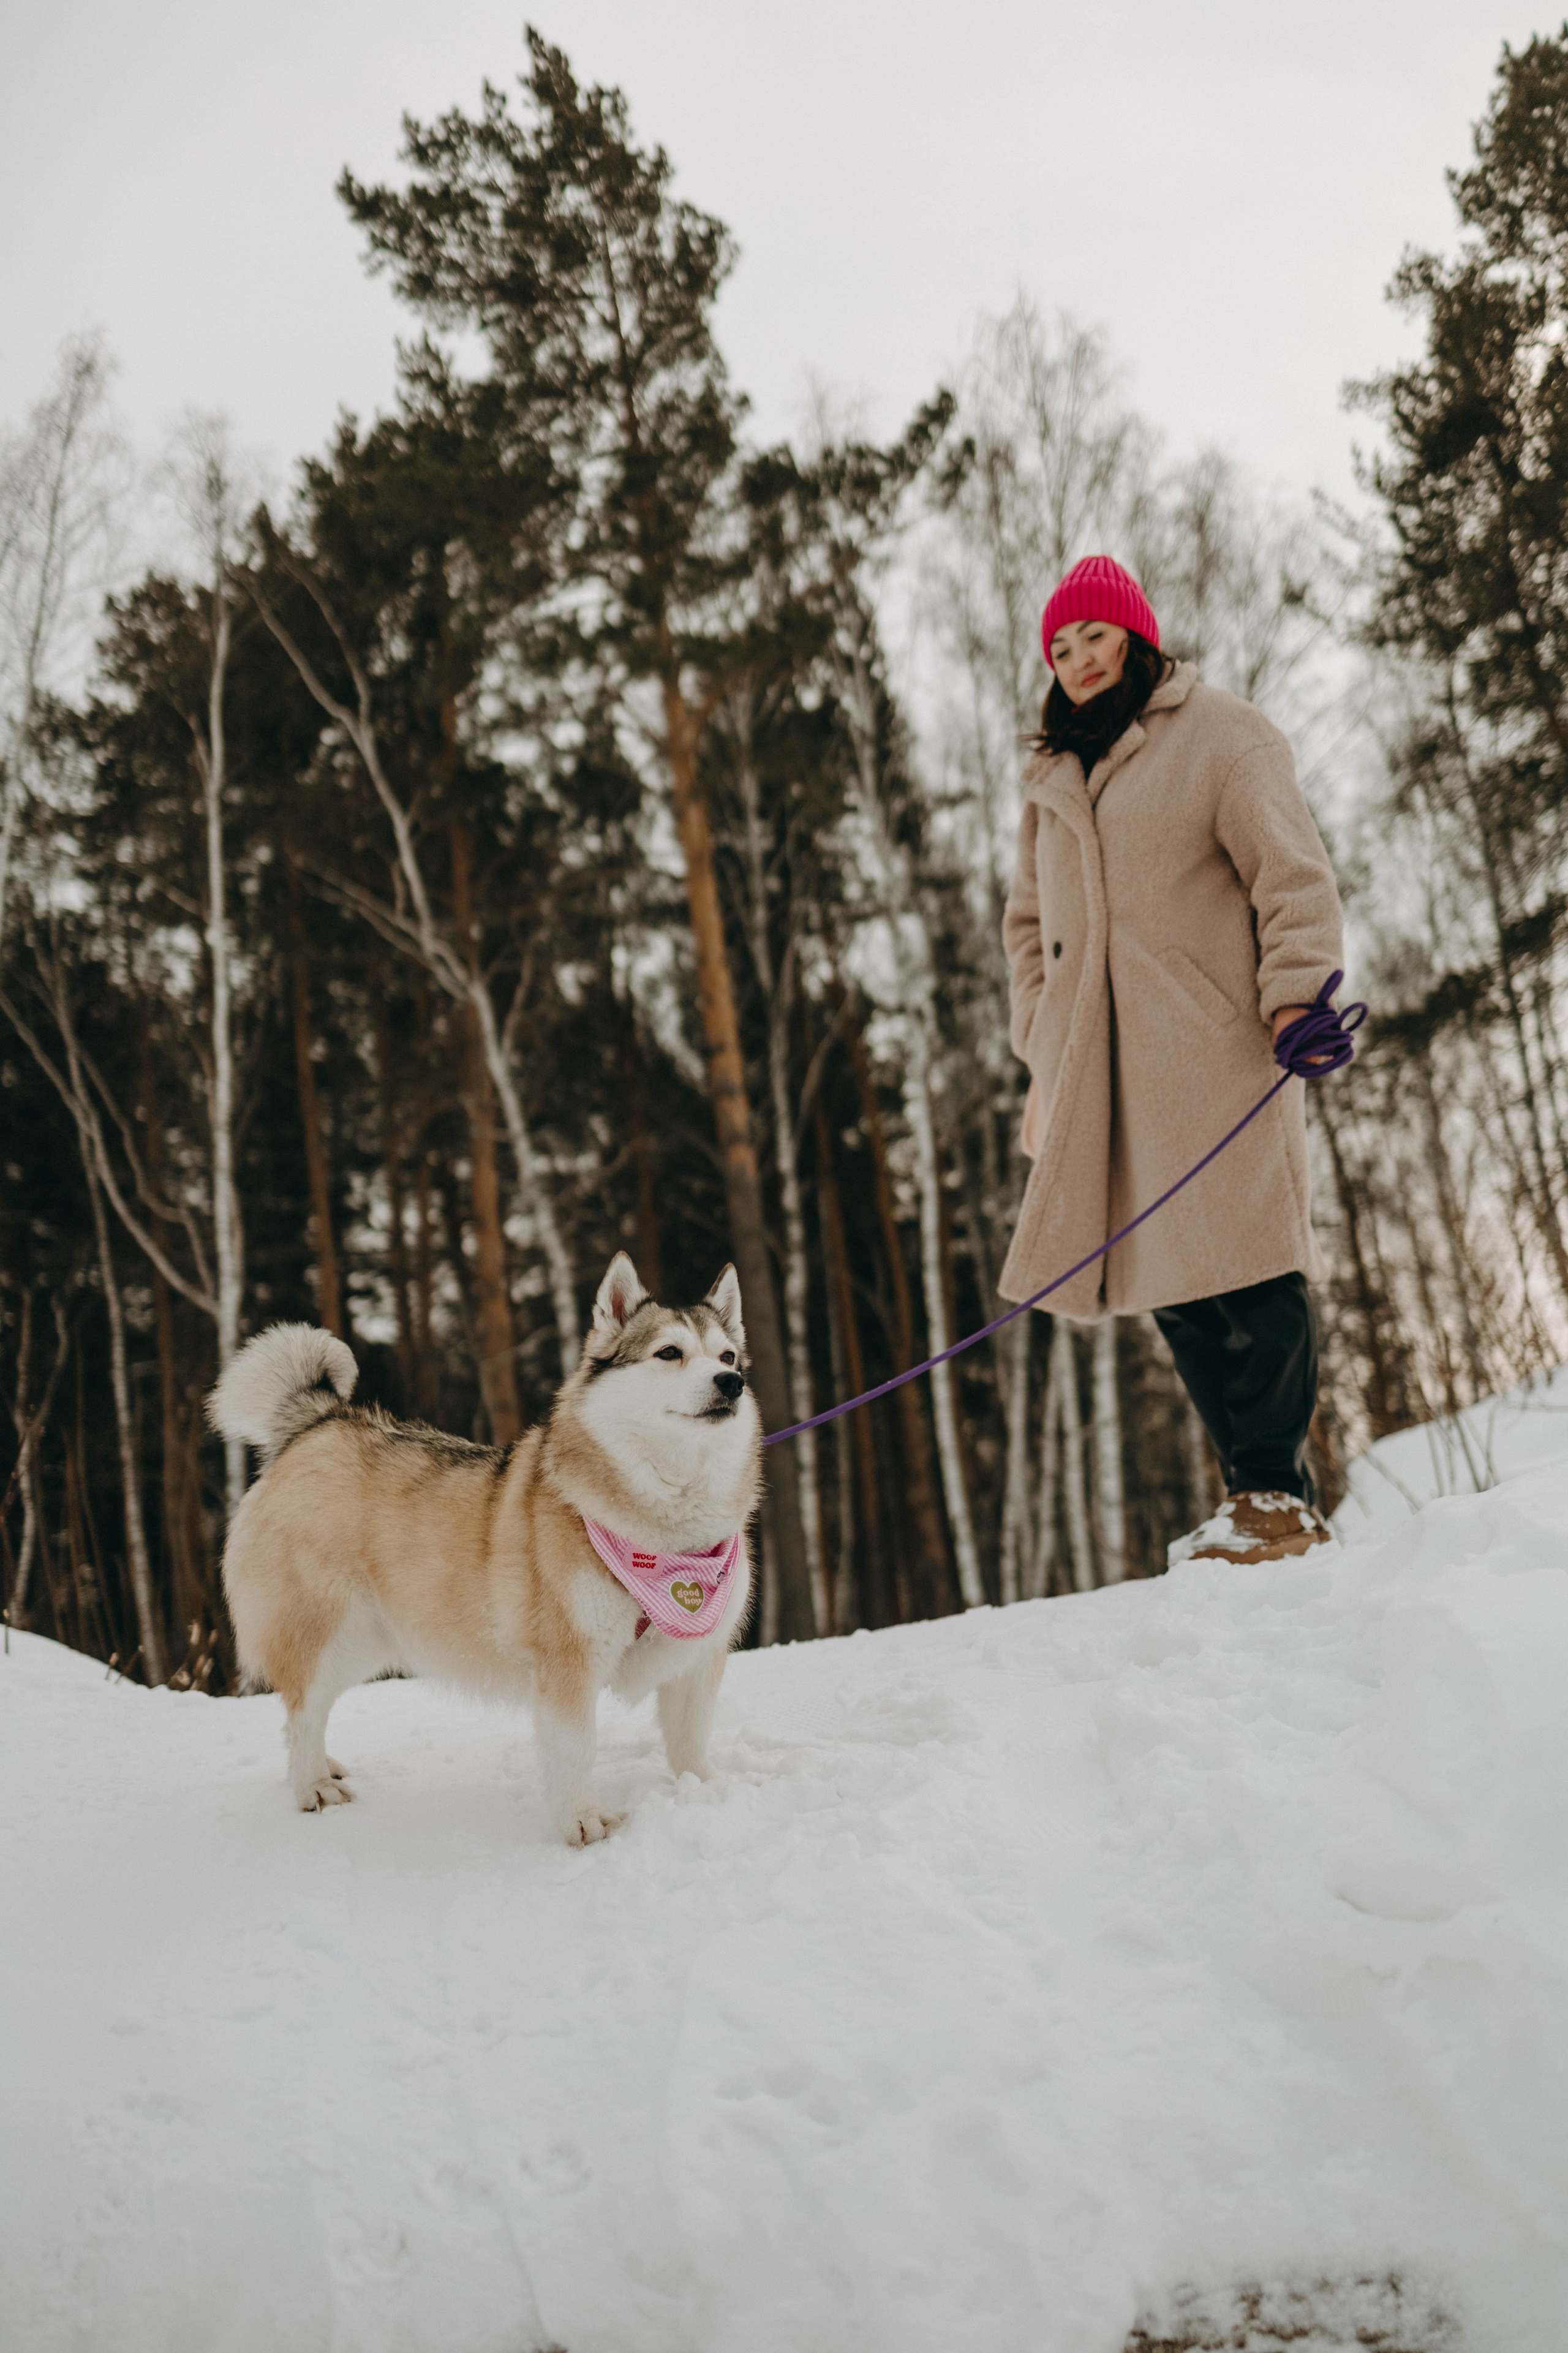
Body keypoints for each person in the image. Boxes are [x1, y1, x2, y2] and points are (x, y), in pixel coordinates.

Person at [1001, 554, 1346, 1566]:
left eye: (1094, 638)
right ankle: (1263, 1498)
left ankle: (1274, 1490)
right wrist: (1042, 1026)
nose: (1077, 661)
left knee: (1255, 1265)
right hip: (1102, 1079)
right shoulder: (1051, 782)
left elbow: (1293, 874)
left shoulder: (1222, 737)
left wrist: (1296, 996)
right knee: (1171, 1284)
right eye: (1061, 650)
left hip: (1217, 1052)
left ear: (1137, 638)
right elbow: (1026, 923)